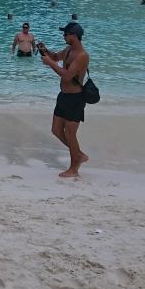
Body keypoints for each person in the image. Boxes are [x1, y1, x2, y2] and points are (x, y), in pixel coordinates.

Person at [40, 22, 90, 178]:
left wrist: (50, 63)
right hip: (63, 96)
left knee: (70, 133)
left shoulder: (82, 55)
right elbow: (56, 57)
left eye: (66, 34)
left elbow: (67, 75)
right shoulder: (69, 50)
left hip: (75, 98)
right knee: (56, 130)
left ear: (74, 35)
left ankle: (74, 168)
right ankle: (79, 154)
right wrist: (45, 50)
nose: (64, 36)